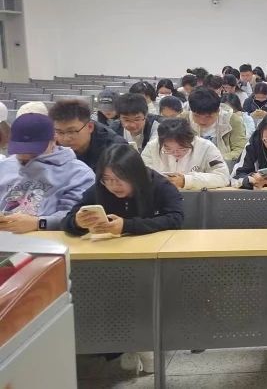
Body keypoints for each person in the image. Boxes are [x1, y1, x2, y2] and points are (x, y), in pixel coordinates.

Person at [63, 144, 183, 374]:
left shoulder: (159, 185)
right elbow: (69, 220)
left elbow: (175, 218)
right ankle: (122, 344)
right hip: (110, 262)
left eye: (119, 179)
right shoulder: (99, 189)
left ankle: (143, 342)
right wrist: (78, 222)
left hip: (152, 261)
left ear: (135, 175)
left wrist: (127, 226)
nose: (112, 186)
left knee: (141, 295)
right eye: (107, 179)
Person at [0, 114, 94, 233]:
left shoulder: (78, 174)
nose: (25, 155)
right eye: (19, 149)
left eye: (33, 152)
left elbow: (74, 218)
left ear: (54, 139)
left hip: (48, 239)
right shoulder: (4, 166)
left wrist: (39, 223)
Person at [141, 118, 230, 190]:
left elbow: (223, 177)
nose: (176, 153)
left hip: (196, 199)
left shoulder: (206, 147)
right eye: (168, 149)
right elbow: (140, 177)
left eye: (182, 148)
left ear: (191, 140)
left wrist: (186, 181)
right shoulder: (152, 147)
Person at [51, 98, 128, 170]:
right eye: (60, 132)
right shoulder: (50, 145)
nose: (66, 139)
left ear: (90, 127)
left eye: (72, 131)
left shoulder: (115, 148)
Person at [184, 88, 247, 163]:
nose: (202, 121)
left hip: (223, 164)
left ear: (218, 111)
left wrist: (216, 160)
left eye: (208, 117)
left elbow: (240, 149)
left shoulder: (232, 120)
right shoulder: (184, 119)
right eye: (196, 116)